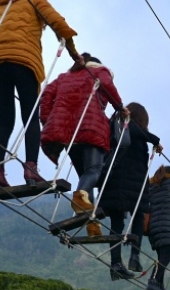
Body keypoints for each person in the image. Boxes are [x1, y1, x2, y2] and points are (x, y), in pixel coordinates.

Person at [0, 0, 79, 188]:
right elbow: (58, 23)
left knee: (5, 120)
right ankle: (31, 168)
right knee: (30, 117)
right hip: (23, 62)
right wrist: (73, 52)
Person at [40, 54, 127, 236]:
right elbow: (107, 85)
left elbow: (47, 94)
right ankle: (82, 201)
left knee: (86, 176)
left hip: (69, 134)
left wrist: (48, 120)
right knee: (94, 170)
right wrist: (119, 106)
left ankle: (91, 219)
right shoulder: (99, 71)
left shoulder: (64, 77)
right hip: (91, 128)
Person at [99, 102, 162, 279]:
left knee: (130, 218)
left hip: (126, 182)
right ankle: (124, 260)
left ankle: (125, 260)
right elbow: (136, 131)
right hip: (125, 181)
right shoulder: (124, 124)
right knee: (128, 217)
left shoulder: (122, 127)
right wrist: (155, 140)